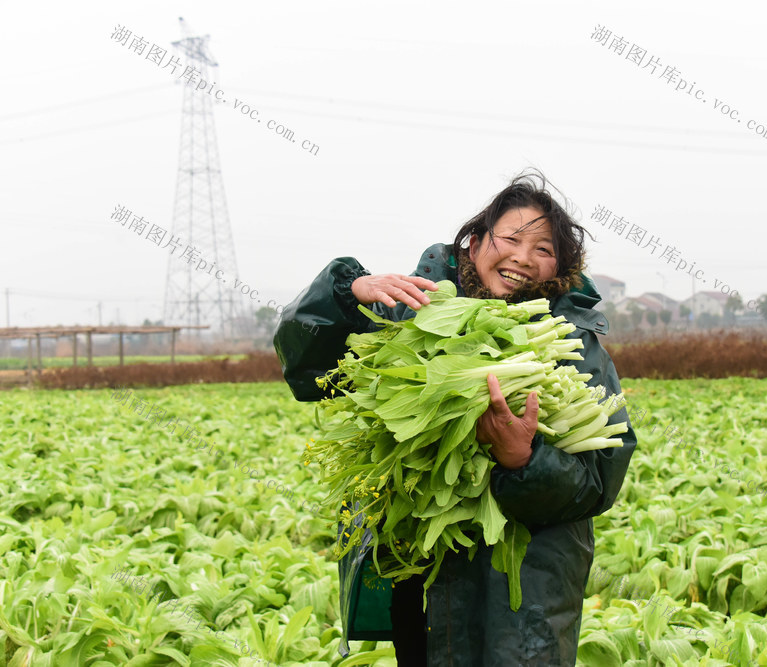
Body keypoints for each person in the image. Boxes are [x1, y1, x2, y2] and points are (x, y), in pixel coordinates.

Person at [273, 170, 638, 666]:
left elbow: (598, 484)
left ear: (562, 268)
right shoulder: (412, 310)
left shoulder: (574, 345)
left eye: (544, 250)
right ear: (474, 240)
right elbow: (307, 370)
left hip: (528, 595)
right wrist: (347, 292)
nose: (523, 259)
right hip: (424, 582)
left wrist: (523, 459)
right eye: (510, 238)